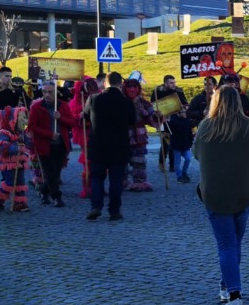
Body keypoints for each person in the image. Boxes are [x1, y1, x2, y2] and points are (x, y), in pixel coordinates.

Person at [194, 86, 249, 305]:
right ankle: (228, 285)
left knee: (227, 244)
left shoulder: (206, 127)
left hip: (215, 193)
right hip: (244, 191)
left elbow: (196, 153)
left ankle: (233, 290)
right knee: (234, 241)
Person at [86, 72, 138, 221]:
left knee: (96, 178)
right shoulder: (127, 102)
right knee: (116, 180)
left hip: (98, 145)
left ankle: (96, 206)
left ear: (105, 83)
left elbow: (85, 115)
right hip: (119, 147)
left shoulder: (94, 99)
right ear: (120, 84)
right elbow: (132, 121)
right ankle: (114, 210)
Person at [28, 81, 76, 207]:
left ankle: (43, 191)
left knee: (55, 173)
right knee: (50, 172)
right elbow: (32, 127)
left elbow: (72, 122)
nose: (47, 95)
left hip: (61, 145)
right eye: (44, 92)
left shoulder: (64, 106)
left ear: (56, 93)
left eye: (50, 92)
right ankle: (56, 197)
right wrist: (49, 134)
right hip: (45, 145)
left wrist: (60, 118)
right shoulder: (36, 107)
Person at [0, 106, 31, 212]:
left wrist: (28, 139)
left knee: (20, 182)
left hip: (19, 161)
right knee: (10, 183)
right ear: (13, 119)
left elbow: (27, 145)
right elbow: (2, 147)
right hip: (8, 163)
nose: (24, 121)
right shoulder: (4, 133)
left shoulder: (20, 133)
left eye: (25, 118)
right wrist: (16, 148)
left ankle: (19, 203)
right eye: (22, 118)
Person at [122, 78, 159, 192]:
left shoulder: (143, 102)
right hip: (123, 135)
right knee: (122, 159)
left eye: (135, 87)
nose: (132, 89)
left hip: (139, 135)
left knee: (139, 160)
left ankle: (139, 181)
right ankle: (122, 181)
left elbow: (151, 116)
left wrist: (156, 116)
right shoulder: (120, 101)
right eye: (130, 87)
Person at [152, 75, 188, 171]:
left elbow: (185, 103)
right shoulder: (158, 91)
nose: (174, 84)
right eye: (171, 83)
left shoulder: (178, 91)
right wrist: (158, 113)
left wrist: (183, 108)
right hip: (163, 120)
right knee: (165, 142)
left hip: (175, 120)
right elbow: (153, 105)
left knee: (174, 142)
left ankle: (172, 165)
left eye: (174, 82)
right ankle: (162, 162)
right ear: (165, 83)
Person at [167, 109, 195, 183]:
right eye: (183, 112)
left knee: (188, 159)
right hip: (176, 144)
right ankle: (179, 176)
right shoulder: (173, 121)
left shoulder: (188, 121)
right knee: (177, 162)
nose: (185, 113)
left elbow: (190, 132)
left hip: (186, 144)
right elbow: (168, 129)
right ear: (178, 113)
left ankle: (184, 172)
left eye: (185, 112)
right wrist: (165, 122)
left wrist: (191, 142)